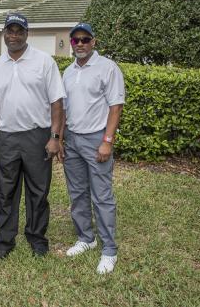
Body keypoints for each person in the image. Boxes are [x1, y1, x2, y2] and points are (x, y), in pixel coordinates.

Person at [0, 13, 65, 258]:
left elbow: (57, 102)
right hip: (7, 137)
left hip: (37, 136)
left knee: (38, 191)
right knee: (6, 191)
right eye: (10, 31)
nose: (14, 35)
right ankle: (5, 240)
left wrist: (55, 137)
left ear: (27, 34)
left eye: (19, 31)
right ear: (4, 34)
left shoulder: (44, 62)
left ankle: (37, 238)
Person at [59, 23, 125, 274]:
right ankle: (86, 238)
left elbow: (115, 107)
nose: (80, 44)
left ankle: (109, 249)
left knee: (102, 196)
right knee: (77, 193)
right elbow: (64, 109)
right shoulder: (68, 72)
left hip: (96, 139)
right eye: (75, 40)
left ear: (94, 42)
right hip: (73, 140)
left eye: (85, 39)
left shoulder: (107, 68)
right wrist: (61, 138)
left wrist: (107, 141)